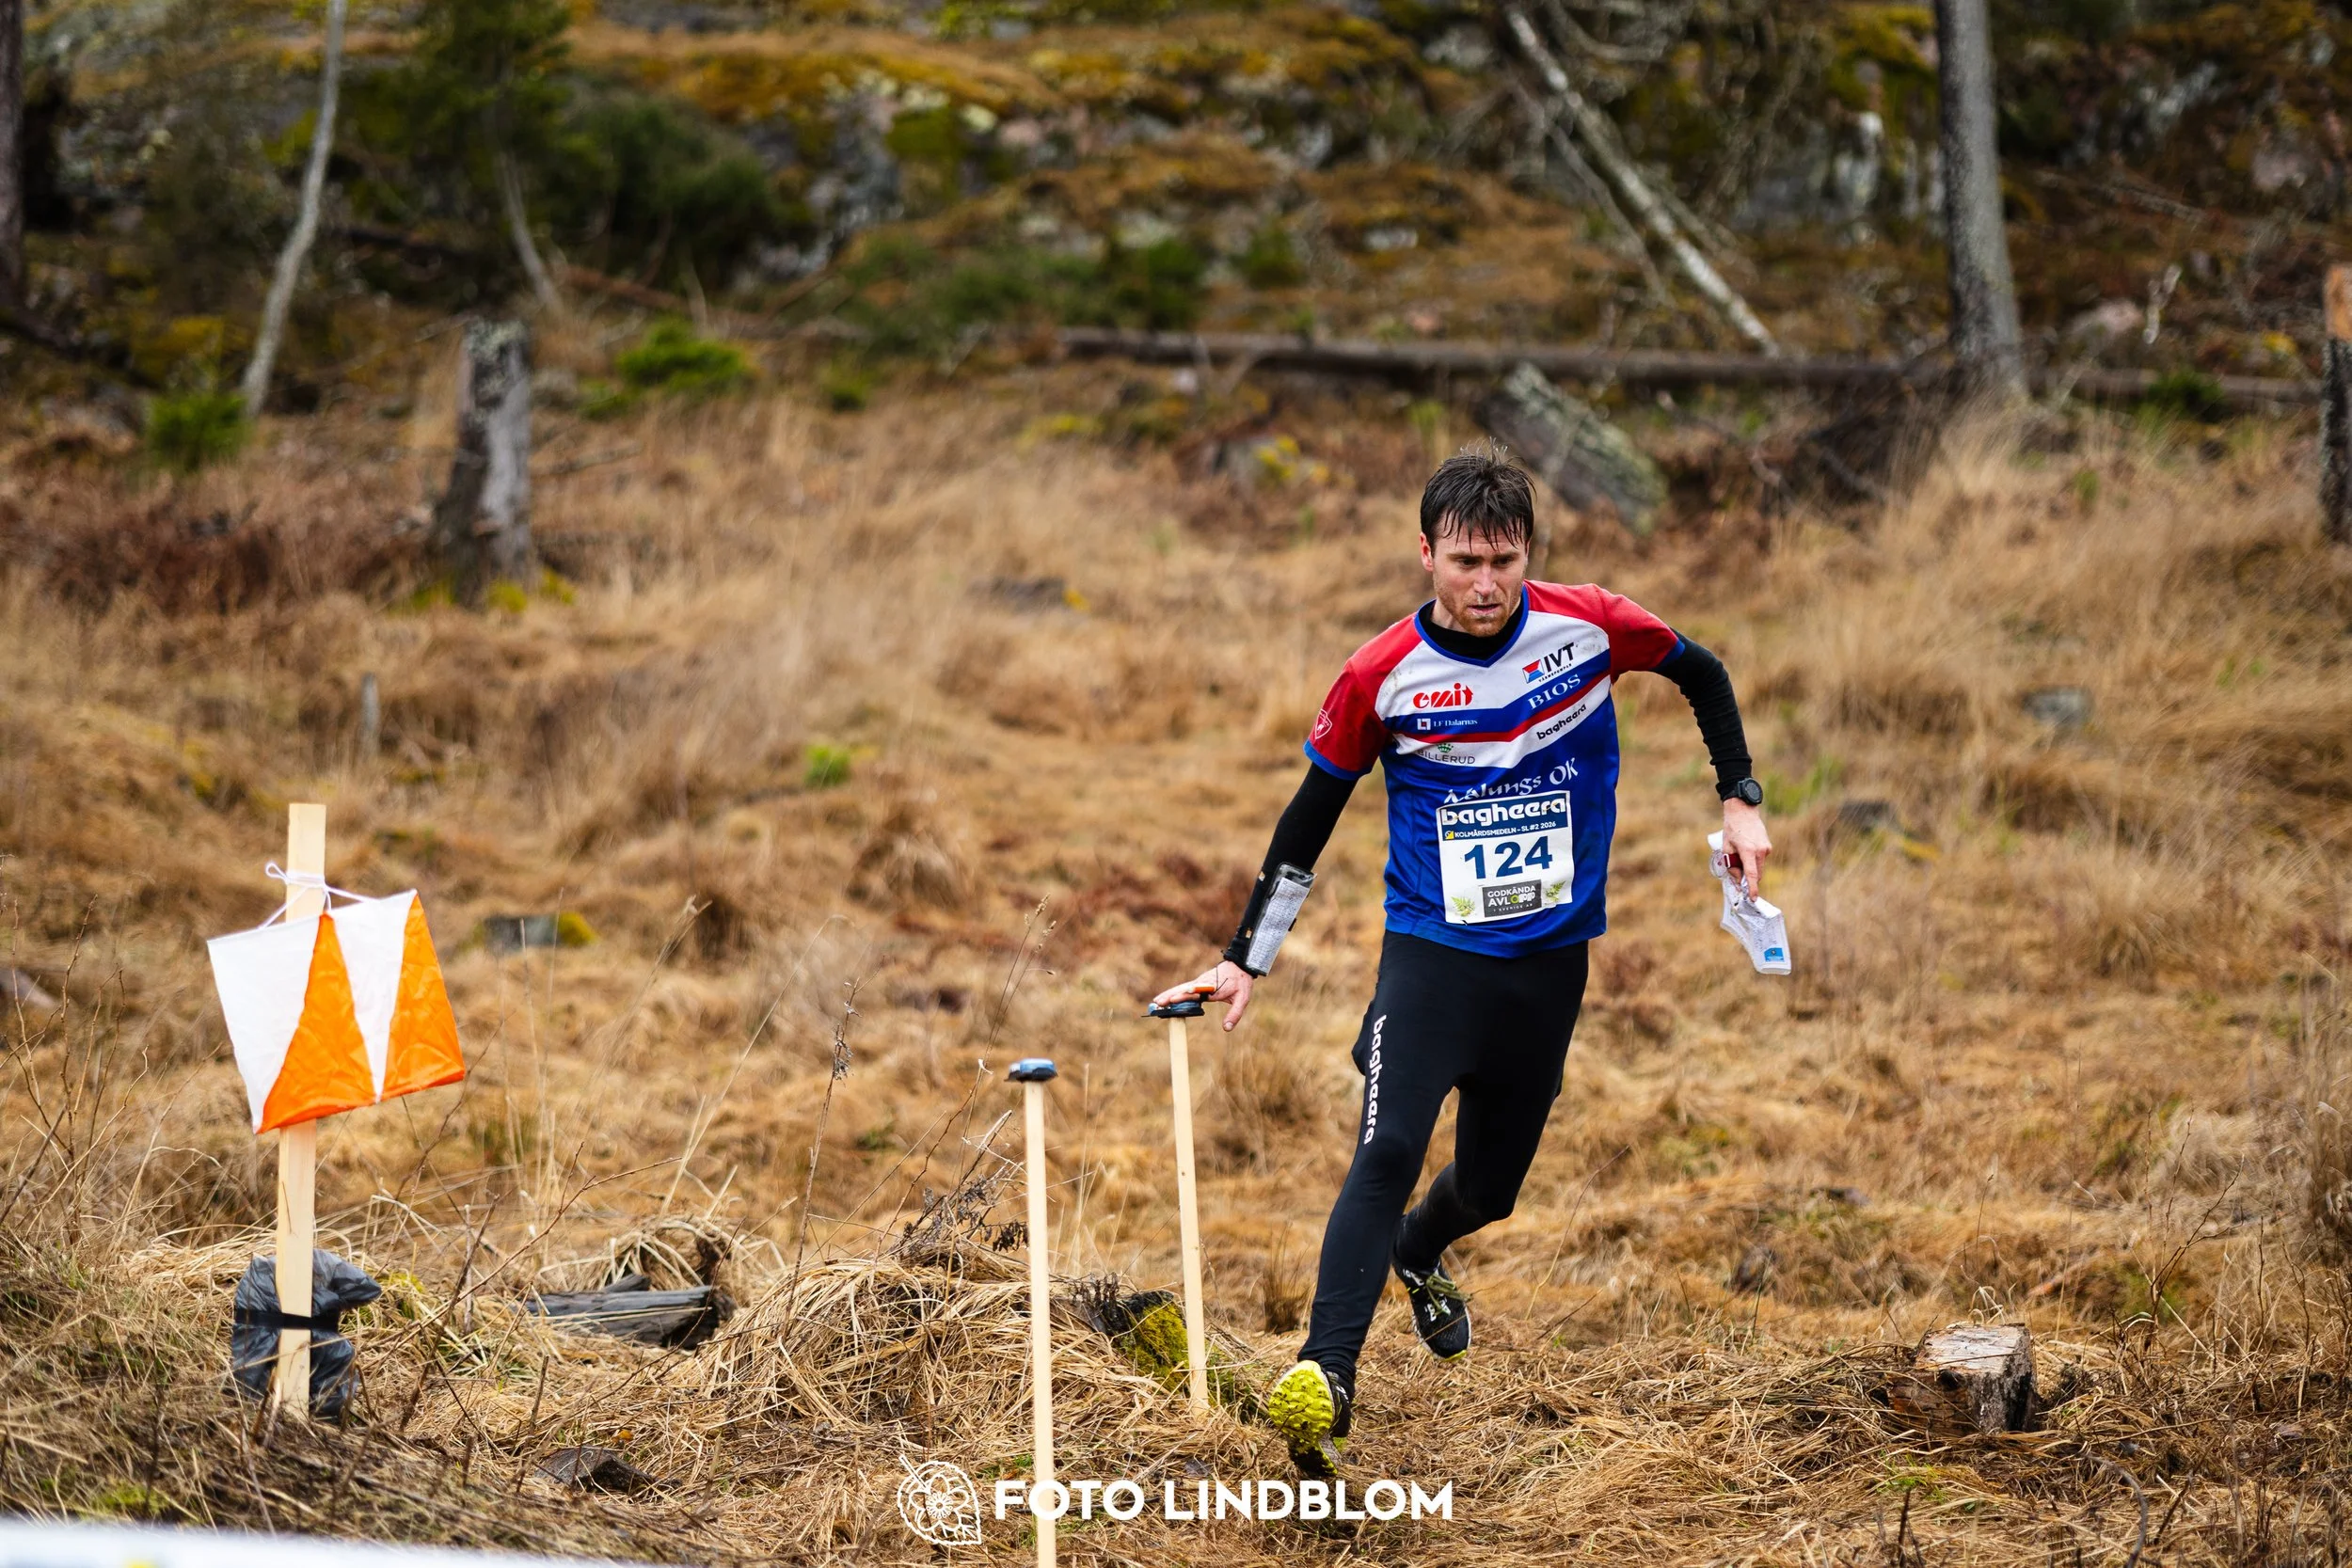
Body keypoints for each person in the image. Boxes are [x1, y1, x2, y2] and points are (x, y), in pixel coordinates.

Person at [1152, 446, 1772, 1477]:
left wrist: (1739, 797)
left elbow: (1701, 672)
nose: (1485, 584)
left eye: (1504, 561)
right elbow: (1310, 817)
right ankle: (1325, 1379)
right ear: (1426, 554)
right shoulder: (1380, 674)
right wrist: (1244, 958)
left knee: (1488, 1188)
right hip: (1432, 952)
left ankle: (1418, 1247)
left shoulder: (1589, 625)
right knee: (1388, 1147)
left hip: (1551, 960)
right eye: (1465, 562)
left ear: (1528, 552)